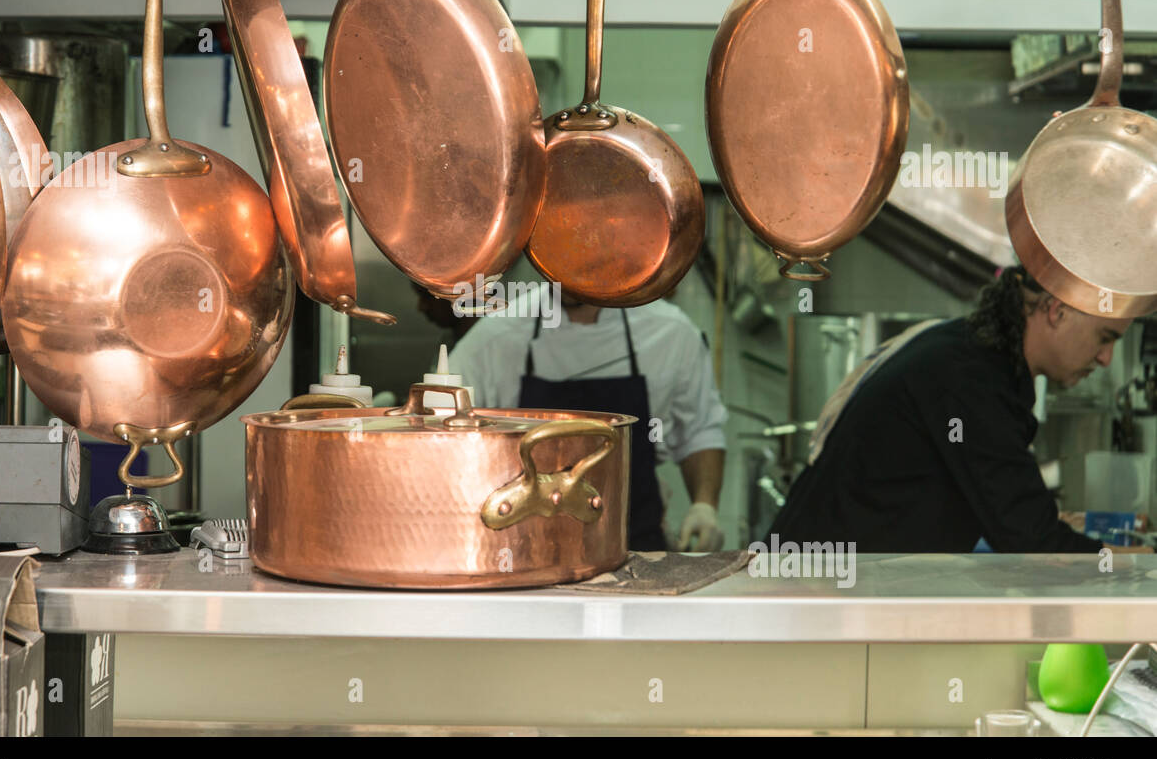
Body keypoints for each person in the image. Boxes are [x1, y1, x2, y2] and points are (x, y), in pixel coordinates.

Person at [768, 266, 1152, 553]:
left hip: (834, 589)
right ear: (1057, 310)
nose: (1105, 359)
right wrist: (1141, 561)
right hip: (814, 599)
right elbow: (1033, 542)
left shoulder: (969, 353)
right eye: (1106, 338)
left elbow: (1008, 511)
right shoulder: (970, 377)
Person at [449, 288, 727, 552]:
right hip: (521, 550)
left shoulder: (670, 331)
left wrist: (704, 506)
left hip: (637, 548)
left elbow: (699, 431)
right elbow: (446, 433)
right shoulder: (493, 339)